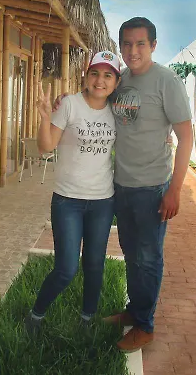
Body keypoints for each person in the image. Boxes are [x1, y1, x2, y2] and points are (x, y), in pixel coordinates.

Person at [53, 17, 193, 352]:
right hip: (121, 186)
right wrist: (65, 101)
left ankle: (145, 325)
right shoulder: (121, 79)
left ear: (153, 45)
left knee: (148, 257)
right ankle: (134, 310)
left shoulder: (167, 81)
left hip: (152, 188)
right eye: (127, 44)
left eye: (140, 43)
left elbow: (186, 137)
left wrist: (175, 189)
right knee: (131, 254)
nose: (133, 51)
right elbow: (95, 98)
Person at [25, 50, 121, 335]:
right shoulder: (69, 104)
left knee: (94, 264)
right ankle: (36, 315)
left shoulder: (118, 111)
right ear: (85, 75)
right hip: (68, 200)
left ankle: (87, 320)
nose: (100, 81)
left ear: (116, 82)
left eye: (108, 75)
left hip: (103, 201)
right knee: (66, 268)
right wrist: (45, 117)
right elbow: (46, 147)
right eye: (95, 73)